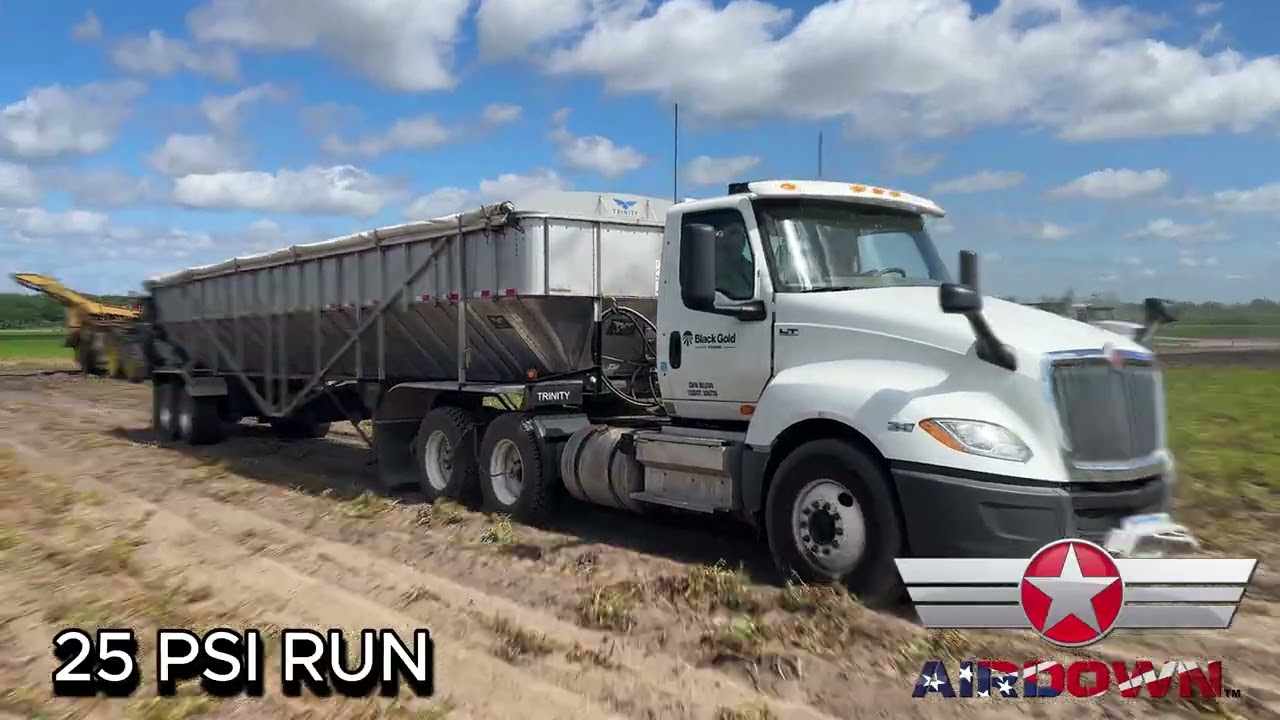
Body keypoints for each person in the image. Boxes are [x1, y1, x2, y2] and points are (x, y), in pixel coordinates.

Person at [715, 224, 754, 300]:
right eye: (734, 233)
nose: (740, 238)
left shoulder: (750, 269)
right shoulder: (709, 269)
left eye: (742, 234)